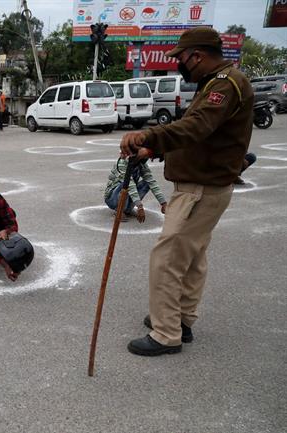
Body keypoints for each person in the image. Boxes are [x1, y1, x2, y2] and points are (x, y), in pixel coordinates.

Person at [119, 27, 254, 356]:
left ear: (197, 55)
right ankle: (181, 319)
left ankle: (167, 334)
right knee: (192, 258)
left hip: (200, 190)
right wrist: (156, 151)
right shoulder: (219, 81)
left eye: (180, 58)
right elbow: (203, 138)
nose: (179, 64)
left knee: (167, 259)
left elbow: (197, 127)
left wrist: (150, 137)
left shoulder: (225, 83)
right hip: (206, 185)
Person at [104, 158, 167, 223]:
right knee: (126, 183)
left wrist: (163, 203)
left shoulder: (141, 163)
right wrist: (139, 206)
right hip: (112, 198)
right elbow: (130, 185)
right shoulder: (123, 162)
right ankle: (119, 209)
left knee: (147, 183)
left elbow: (151, 181)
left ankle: (128, 208)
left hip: (127, 192)